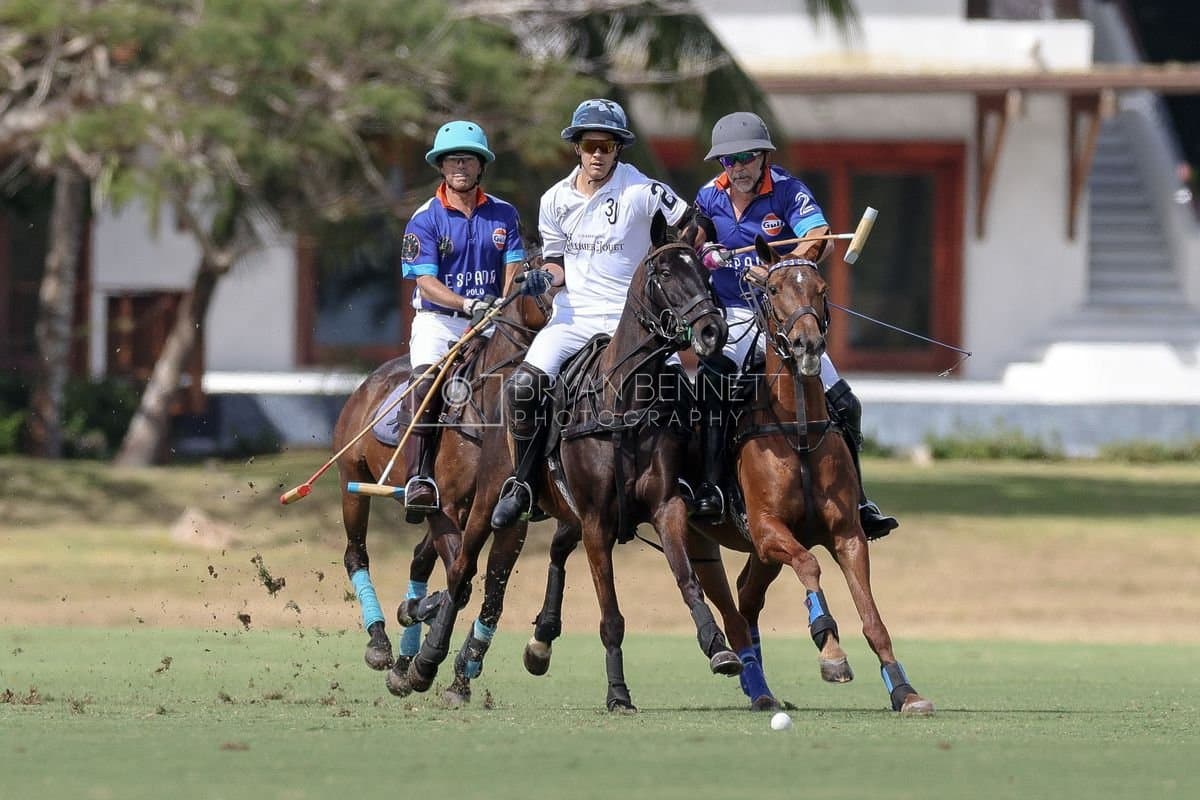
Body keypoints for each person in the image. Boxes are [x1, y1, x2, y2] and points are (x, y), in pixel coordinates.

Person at [689, 111, 898, 539]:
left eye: (746, 157)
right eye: (729, 161)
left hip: (783, 315)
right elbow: (692, 242)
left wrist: (779, 271)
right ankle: (710, 487)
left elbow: (816, 238)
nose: (738, 167)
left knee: (845, 401)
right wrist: (705, 252)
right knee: (712, 386)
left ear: (763, 157)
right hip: (732, 313)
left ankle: (858, 499)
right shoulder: (709, 196)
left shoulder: (788, 191)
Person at [489, 98, 688, 528]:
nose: (598, 153)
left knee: (685, 389)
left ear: (619, 149)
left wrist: (700, 252)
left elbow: (689, 224)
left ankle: (693, 482)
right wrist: (546, 276)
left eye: (607, 145)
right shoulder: (554, 200)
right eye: (590, 144)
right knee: (522, 387)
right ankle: (524, 483)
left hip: (632, 322)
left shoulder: (641, 190)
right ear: (577, 148)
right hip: (573, 318)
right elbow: (557, 261)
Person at [399, 120, 525, 519]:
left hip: (492, 321)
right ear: (440, 166)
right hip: (440, 322)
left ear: (480, 166)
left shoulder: (504, 214)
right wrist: (466, 305)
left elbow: (514, 270)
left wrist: (503, 308)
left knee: (529, 384)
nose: (460, 166)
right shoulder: (425, 217)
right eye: (452, 159)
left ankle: (527, 476)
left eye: (468, 159)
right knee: (425, 386)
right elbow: (426, 282)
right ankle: (420, 477)